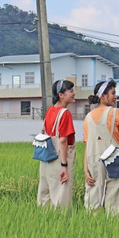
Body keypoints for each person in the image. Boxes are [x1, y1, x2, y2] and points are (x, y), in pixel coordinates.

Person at [83, 78, 119, 215]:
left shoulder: (88, 117)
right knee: (115, 196)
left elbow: (88, 145)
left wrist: (85, 170)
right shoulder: (117, 113)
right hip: (115, 159)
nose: (115, 96)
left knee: (93, 198)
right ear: (103, 96)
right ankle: (113, 226)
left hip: (93, 160)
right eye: (113, 93)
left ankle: (93, 227)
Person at [37, 79, 76, 210]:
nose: (73, 93)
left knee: (45, 195)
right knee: (61, 196)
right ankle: (61, 226)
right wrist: (64, 166)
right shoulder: (65, 114)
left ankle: (45, 224)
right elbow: (63, 140)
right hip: (59, 158)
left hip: (46, 159)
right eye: (71, 91)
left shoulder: (50, 111)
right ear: (61, 95)